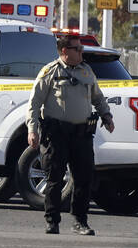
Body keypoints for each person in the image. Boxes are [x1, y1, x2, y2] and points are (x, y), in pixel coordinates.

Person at [28, 33, 115, 236]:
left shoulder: (86, 71)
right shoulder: (50, 72)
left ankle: (80, 221)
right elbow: (34, 104)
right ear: (65, 51)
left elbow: (97, 97)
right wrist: (32, 130)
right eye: (78, 49)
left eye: (81, 49)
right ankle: (52, 221)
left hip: (81, 134)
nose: (81, 52)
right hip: (56, 134)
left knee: (84, 179)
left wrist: (106, 115)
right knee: (55, 179)